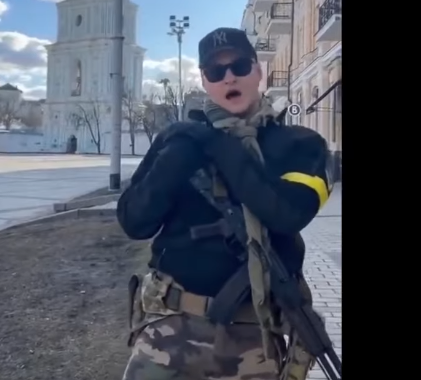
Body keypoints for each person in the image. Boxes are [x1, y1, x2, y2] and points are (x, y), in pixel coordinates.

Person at [117, 27, 332, 380]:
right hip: (169, 332)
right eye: (216, 71)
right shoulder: (178, 141)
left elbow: (287, 214)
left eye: (240, 66)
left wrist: (219, 146)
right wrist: (177, 156)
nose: (229, 77)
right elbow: (134, 221)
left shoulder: (301, 144)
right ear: (205, 81)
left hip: (258, 341)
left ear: (258, 71)